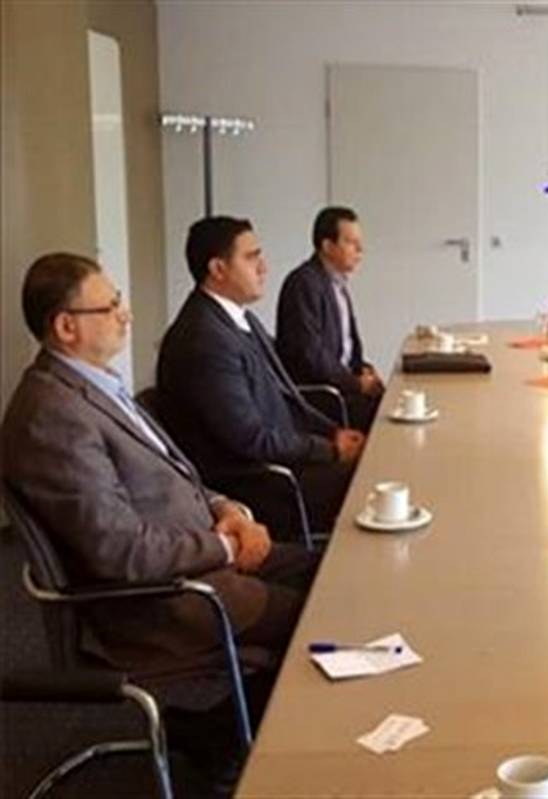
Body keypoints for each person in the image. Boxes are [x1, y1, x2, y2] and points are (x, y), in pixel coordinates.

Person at [0, 252, 318, 670]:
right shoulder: (51, 416)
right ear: (66, 326)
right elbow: (120, 550)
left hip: (200, 557)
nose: (126, 315)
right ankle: (249, 711)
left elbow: (175, 475)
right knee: (322, 616)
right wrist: (227, 547)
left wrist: (226, 509)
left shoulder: (97, 385)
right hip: (166, 598)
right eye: (110, 307)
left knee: (331, 573)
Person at [157, 216, 364, 533]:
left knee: (375, 461)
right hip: (262, 484)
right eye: (252, 257)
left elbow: (286, 395)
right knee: (373, 477)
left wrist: (332, 434)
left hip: (283, 461)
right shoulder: (204, 339)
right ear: (218, 269)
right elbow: (250, 438)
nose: (264, 267)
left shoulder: (241, 319)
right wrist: (329, 449)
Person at [276, 206, 383, 431]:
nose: (360, 249)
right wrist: (356, 383)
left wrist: (362, 369)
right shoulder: (304, 284)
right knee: (388, 419)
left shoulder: (337, 284)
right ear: (327, 246)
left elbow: (345, 346)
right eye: (351, 242)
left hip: (342, 387)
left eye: (360, 242)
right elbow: (310, 355)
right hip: (323, 398)